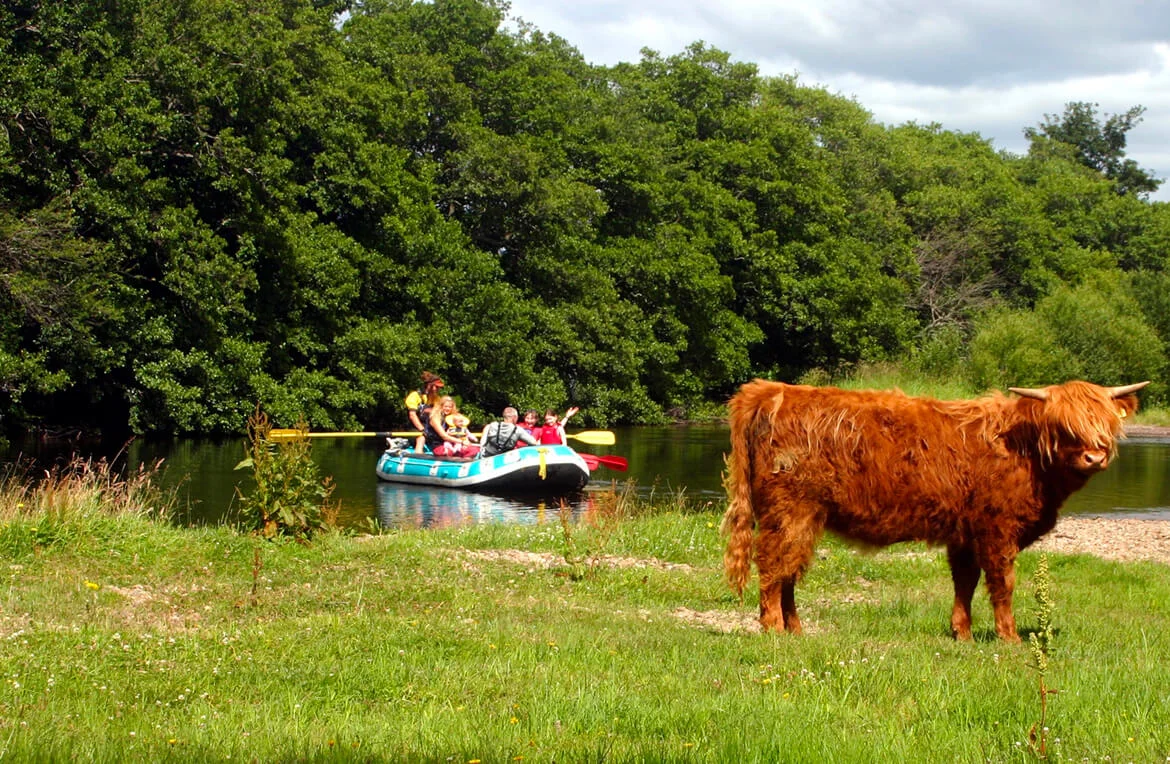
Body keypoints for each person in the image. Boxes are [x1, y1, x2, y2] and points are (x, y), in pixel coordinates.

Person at [405, 372, 444, 453]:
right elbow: (412, 415)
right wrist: (422, 429)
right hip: (415, 429)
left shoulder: (437, 398)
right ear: (429, 385)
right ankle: (418, 454)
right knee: (421, 437)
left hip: (431, 429)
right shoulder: (415, 396)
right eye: (436, 387)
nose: (438, 389)